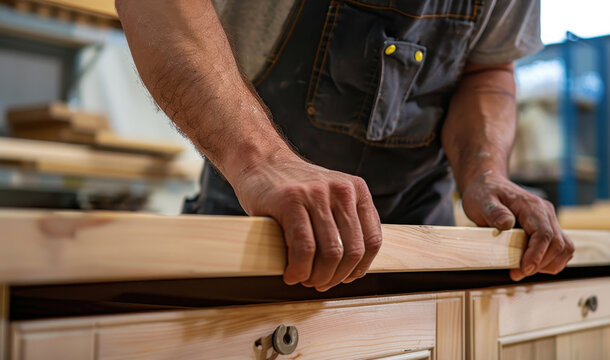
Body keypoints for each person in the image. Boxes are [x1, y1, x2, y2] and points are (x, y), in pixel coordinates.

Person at [116, 0, 574, 292]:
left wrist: (484, 170)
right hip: (258, 240)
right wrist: (262, 160)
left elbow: (487, 68)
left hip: (419, 255)